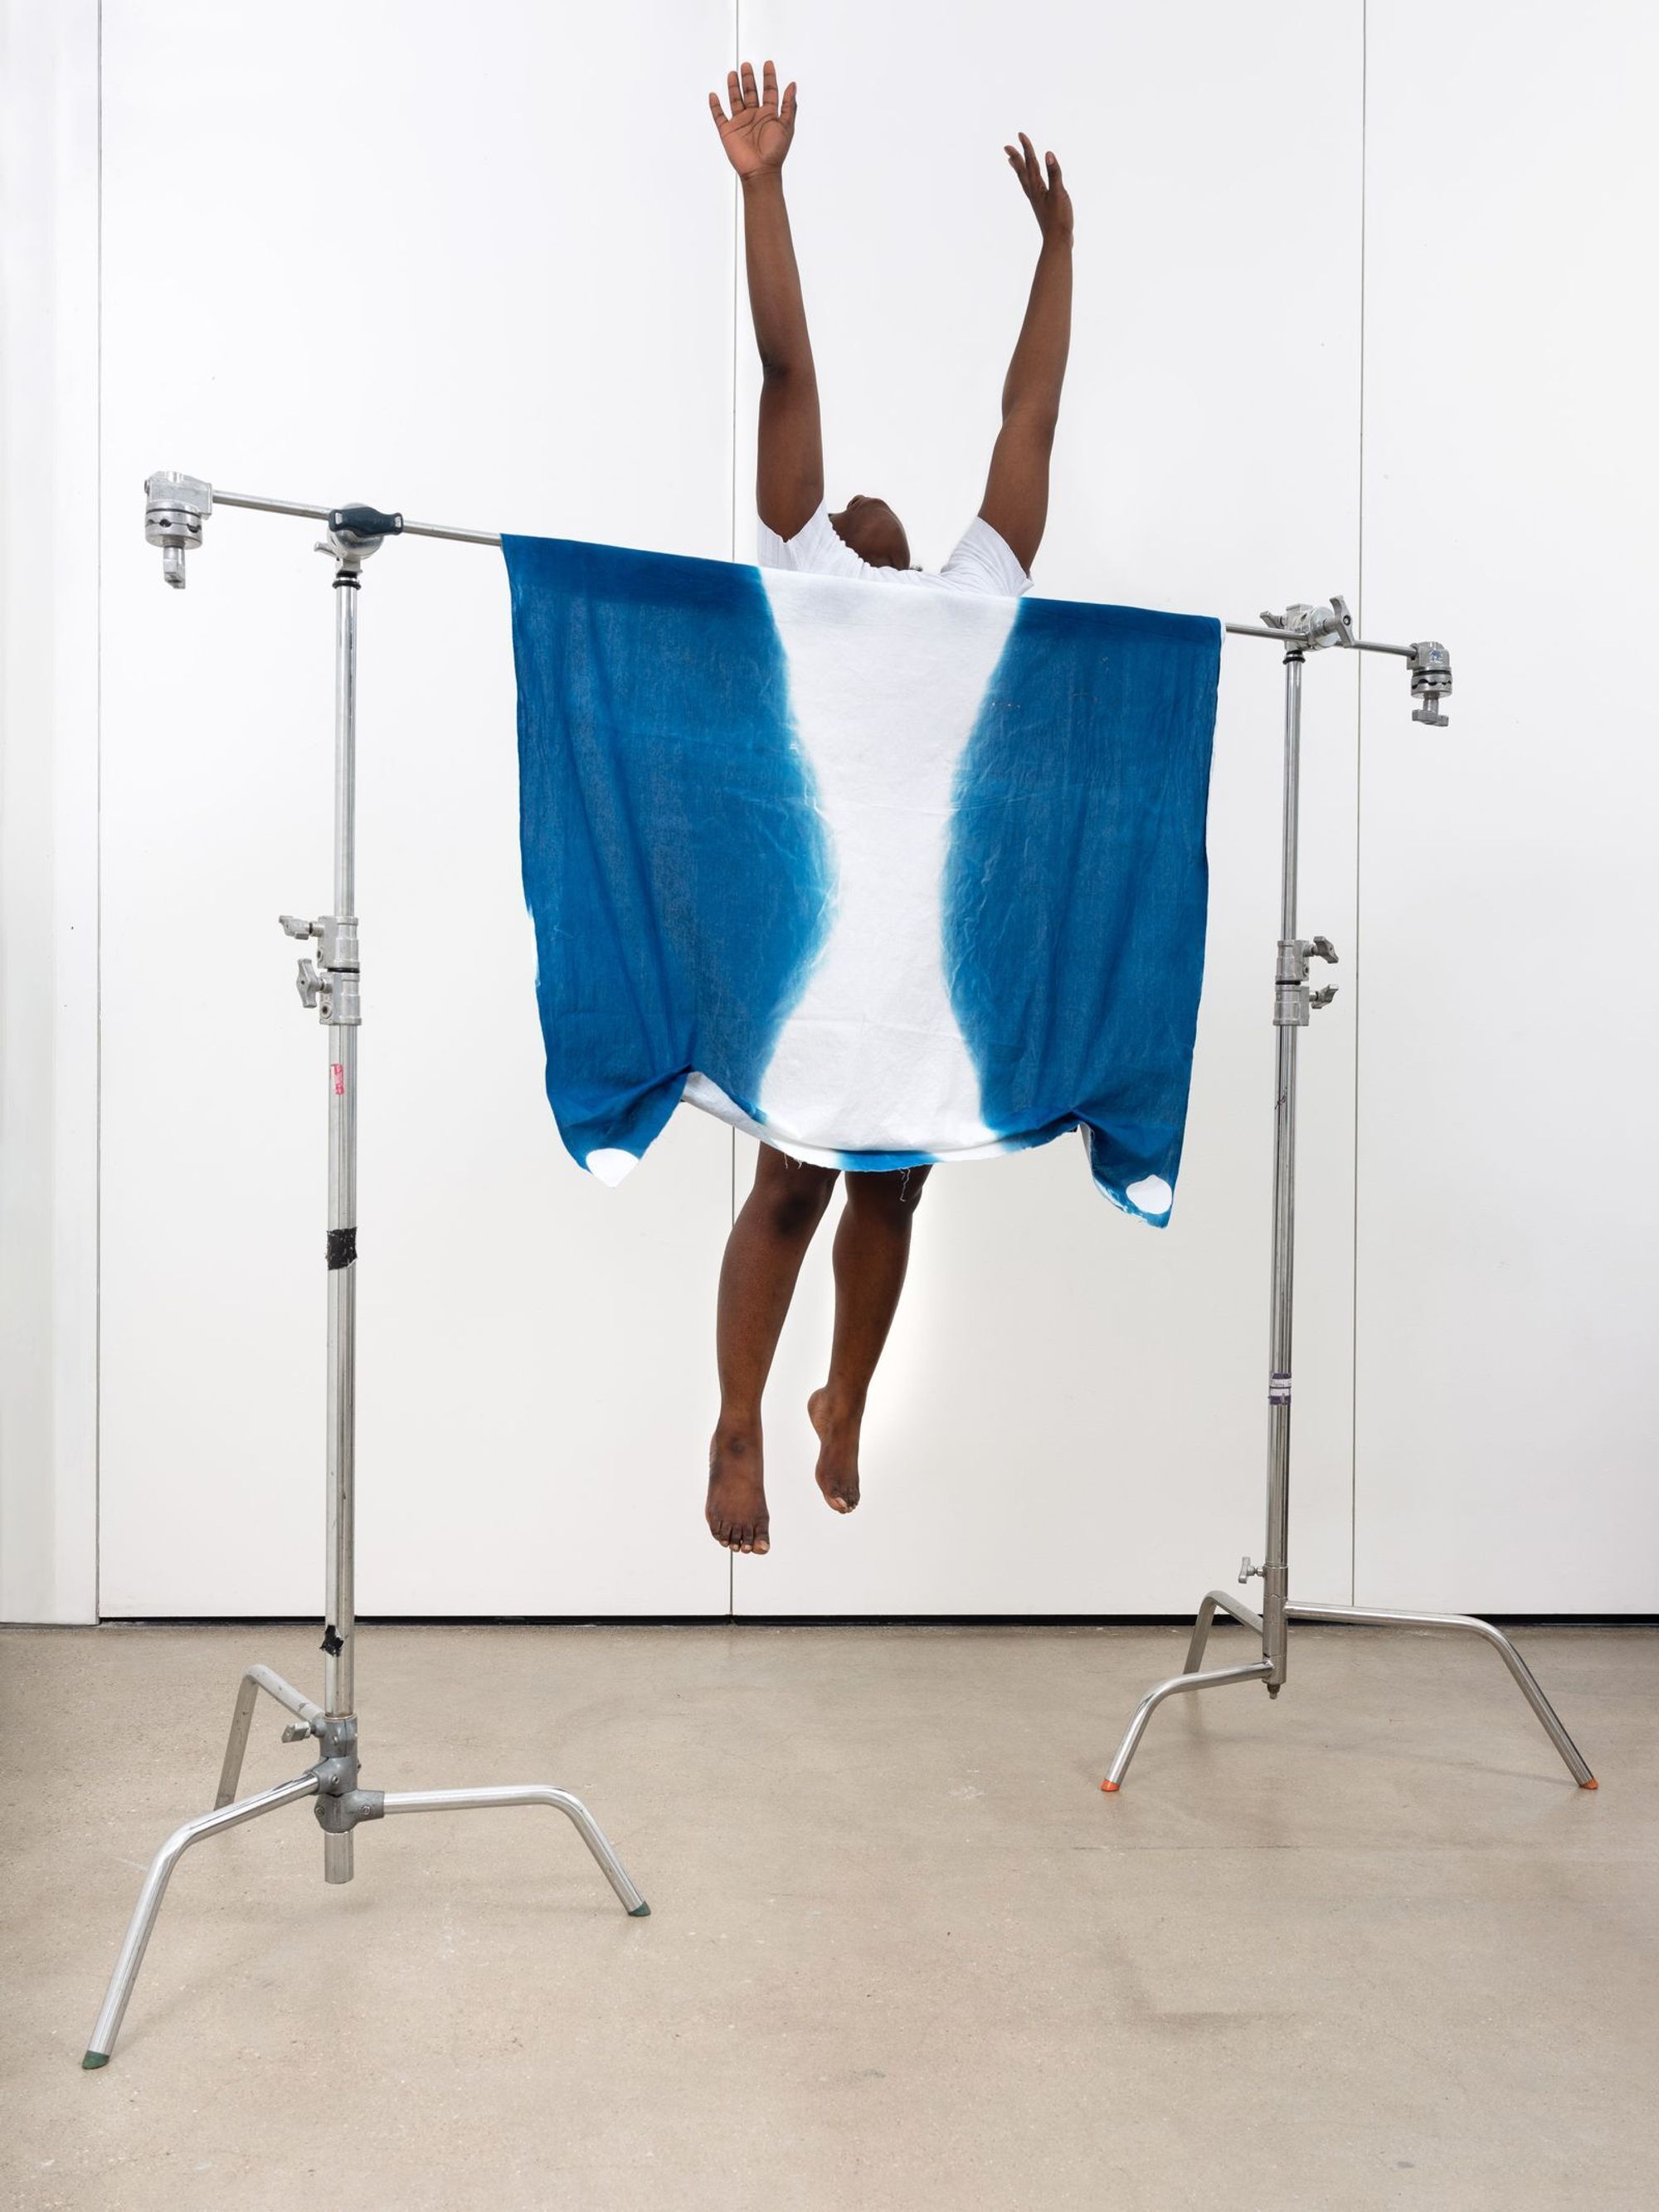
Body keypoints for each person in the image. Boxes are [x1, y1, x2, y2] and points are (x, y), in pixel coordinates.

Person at [703, 58, 1073, 1556]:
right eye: (841, 500)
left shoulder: (970, 597)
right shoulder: (810, 574)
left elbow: (1027, 421)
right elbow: (788, 371)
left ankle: (842, 1396)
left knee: (898, 1191)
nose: (860, 498)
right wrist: (764, 187)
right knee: (794, 1181)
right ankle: (739, 1421)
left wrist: (1059, 253)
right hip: (823, 938)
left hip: (925, 951)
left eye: (872, 503)